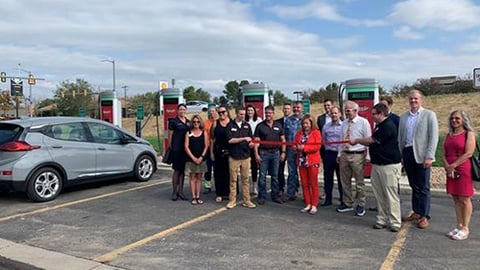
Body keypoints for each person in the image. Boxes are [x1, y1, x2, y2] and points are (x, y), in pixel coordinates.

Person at [350, 103, 402, 232]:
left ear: (381, 114)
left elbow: (372, 140)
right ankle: (382, 219)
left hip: (389, 166)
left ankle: (395, 221)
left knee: (391, 194)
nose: (372, 116)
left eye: (374, 114)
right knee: (379, 194)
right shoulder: (379, 126)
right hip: (378, 165)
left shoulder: (388, 126)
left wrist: (357, 140)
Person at [398, 89, 439, 229]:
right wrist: (401, 155)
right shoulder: (403, 117)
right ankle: (416, 211)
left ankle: (424, 216)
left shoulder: (429, 115)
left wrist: (429, 156)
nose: (413, 101)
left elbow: (433, 137)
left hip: (422, 155)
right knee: (413, 185)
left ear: (421, 100)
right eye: (411, 99)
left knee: (423, 187)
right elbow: (400, 138)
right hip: (408, 153)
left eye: (416, 98)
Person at [441, 110, 475, 240]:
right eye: (452, 118)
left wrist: (453, 166)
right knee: (455, 198)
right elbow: (443, 153)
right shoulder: (448, 134)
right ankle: (459, 225)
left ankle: (465, 227)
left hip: (462, 168)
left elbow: (468, 153)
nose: (454, 120)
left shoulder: (468, 134)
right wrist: (447, 166)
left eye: (457, 118)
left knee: (464, 198)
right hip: (450, 170)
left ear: (463, 120)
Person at [336, 100, 371, 216]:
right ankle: (347, 203)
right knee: (344, 180)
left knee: (359, 182)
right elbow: (341, 139)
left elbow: (368, 139)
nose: (346, 113)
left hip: (357, 155)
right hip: (345, 154)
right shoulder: (344, 123)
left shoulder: (363, 122)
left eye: (348, 111)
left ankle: (361, 204)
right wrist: (339, 154)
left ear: (356, 111)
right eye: (345, 111)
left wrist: (368, 156)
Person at [254, 105, 286, 205]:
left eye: (270, 113)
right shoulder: (260, 126)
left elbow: (283, 140)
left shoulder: (279, 125)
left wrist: (283, 152)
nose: (268, 114)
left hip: (276, 153)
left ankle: (275, 196)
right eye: (266, 113)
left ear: (273, 113)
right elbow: (256, 142)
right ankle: (261, 197)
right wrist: (256, 155)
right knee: (262, 176)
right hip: (264, 153)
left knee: (275, 176)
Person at [225, 106, 256, 209]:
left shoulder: (247, 125)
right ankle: (232, 200)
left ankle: (247, 200)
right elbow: (230, 140)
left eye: (244, 114)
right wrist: (243, 138)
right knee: (233, 180)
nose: (243, 116)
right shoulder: (230, 125)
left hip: (246, 156)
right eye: (241, 114)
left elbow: (250, 139)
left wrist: (251, 143)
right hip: (234, 157)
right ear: (236, 113)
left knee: (246, 180)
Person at [294, 114, 322, 214]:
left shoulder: (316, 133)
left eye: (307, 123)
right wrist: (296, 148)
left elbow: (317, 147)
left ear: (311, 123)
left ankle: (314, 205)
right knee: (305, 184)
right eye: (303, 123)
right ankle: (308, 203)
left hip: (312, 161)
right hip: (302, 161)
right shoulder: (299, 133)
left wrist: (304, 148)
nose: (305, 125)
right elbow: (295, 143)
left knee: (313, 184)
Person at [321, 106, 343, 206]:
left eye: (335, 113)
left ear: (340, 114)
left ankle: (343, 199)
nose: (334, 115)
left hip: (340, 155)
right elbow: (324, 140)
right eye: (332, 113)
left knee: (341, 178)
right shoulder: (326, 126)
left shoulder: (344, 126)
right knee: (328, 178)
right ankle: (328, 199)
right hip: (329, 154)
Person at [184, 115, 209, 205]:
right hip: (191, 159)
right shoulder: (188, 133)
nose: (196, 123)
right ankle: (193, 197)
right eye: (194, 122)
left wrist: (201, 157)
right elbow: (186, 147)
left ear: (200, 122)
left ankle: (198, 196)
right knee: (192, 177)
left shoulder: (204, 132)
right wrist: (193, 158)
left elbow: (206, 146)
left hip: (201, 158)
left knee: (199, 177)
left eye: (198, 122)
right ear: (192, 123)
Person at [168, 104, 191, 201]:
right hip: (176, 149)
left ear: (186, 110)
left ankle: (181, 192)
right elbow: (170, 135)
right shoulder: (173, 122)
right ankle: (174, 192)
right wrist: (171, 147)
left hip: (185, 149)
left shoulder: (188, 122)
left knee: (182, 171)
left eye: (184, 109)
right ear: (177, 111)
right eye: (180, 109)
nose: (182, 111)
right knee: (176, 170)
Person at [210, 105, 232, 203]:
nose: (221, 114)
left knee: (229, 173)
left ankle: (228, 193)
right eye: (219, 113)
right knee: (218, 173)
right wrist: (211, 153)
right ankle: (219, 193)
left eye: (223, 112)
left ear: (227, 112)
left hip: (230, 151)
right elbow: (212, 139)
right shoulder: (215, 123)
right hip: (218, 151)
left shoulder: (232, 123)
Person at [284, 101, 304, 201]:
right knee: (292, 172)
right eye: (295, 107)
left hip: (303, 151)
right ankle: (291, 193)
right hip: (291, 150)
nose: (296, 109)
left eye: (298, 107)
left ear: (302, 108)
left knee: (304, 172)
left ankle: (306, 194)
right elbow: (285, 135)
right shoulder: (288, 120)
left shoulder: (306, 120)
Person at [275, 103, 292, 196]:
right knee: (279, 169)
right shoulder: (277, 122)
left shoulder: (295, 121)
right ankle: (281, 188)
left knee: (292, 170)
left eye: (288, 108)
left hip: (292, 148)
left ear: (290, 110)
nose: (286, 110)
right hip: (281, 149)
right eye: (284, 108)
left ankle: (293, 190)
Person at [246, 105, 262, 195]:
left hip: (256, 146)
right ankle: (246, 187)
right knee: (245, 168)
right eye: (248, 110)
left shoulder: (259, 120)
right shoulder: (244, 121)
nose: (250, 112)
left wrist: (257, 144)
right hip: (246, 147)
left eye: (251, 110)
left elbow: (261, 134)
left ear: (254, 111)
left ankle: (254, 187)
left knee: (255, 168)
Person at [202, 105, 218, 194]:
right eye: (210, 111)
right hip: (208, 147)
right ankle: (207, 186)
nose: (212, 113)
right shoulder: (206, 123)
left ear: (216, 112)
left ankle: (218, 185)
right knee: (208, 168)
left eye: (213, 111)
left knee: (217, 168)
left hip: (217, 148)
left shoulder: (219, 122)